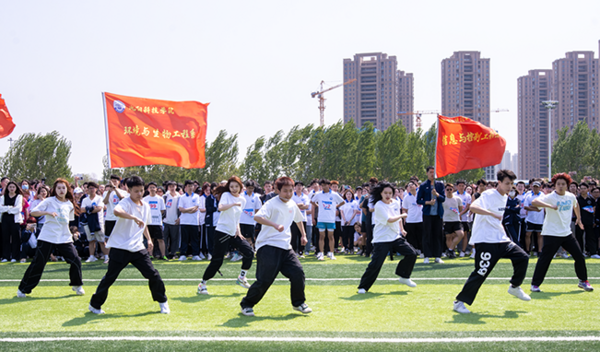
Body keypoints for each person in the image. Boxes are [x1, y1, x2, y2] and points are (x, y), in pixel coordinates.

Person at [453, 169, 531, 314]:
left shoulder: (505, 197)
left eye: (511, 183)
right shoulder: (489, 194)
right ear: (499, 183)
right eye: (507, 183)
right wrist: (491, 213)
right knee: (481, 272)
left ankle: (514, 286)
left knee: (523, 257)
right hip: (485, 240)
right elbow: (475, 207)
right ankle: (459, 302)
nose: (510, 186)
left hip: (500, 239)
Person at [89, 176, 169, 314]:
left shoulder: (146, 206)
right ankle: (94, 305)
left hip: (138, 248)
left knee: (153, 274)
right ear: (129, 190)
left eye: (141, 190)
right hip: (120, 247)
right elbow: (116, 211)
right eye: (136, 191)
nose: (139, 194)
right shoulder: (125, 202)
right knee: (110, 277)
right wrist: (133, 217)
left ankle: (162, 301)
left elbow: (143, 224)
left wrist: (149, 240)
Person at [239, 177, 312, 316]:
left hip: (285, 247)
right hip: (268, 245)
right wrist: (274, 224)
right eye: (285, 191)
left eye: (291, 191)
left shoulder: (292, 204)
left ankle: (298, 303)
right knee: (265, 280)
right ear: (277, 190)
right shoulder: (271, 203)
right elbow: (257, 217)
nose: (289, 194)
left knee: (298, 273)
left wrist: (303, 235)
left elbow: (299, 219)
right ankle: (247, 304)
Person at [17, 178, 84, 297]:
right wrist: (47, 213)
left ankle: (77, 284)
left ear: (67, 189)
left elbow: (68, 222)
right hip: (47, 236)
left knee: (76, 260)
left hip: (64, 237)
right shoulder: (49, 201)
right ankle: (23, 289)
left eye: (63, 188)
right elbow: (33, 212)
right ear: (55, 190)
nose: (61, 190)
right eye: (59, 188)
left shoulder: (69, 204)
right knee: (39, 263)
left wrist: (74, 233)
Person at [530, 173, 593, 292]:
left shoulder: (570, 196)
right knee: (545, 259)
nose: (560, 186)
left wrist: (579, 219)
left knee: (579, 256)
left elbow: (576, 205)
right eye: (558, 184)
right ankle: (535, 284)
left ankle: (583, 281)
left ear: (567, 185)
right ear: (554, 185)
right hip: (551, 233)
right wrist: (549, 205)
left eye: (563, 184)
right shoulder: (549, 197)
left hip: (566, 233)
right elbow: (534, 202)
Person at [357, 182, 417, 294]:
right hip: (382, 238)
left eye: (390, 193)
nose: (388, 195)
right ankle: (363, 286)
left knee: (412, 254)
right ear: (381, 193)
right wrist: (403, 215)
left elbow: (397, 219)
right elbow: (390, 219)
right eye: (385, 193)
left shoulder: (395, 202)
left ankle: (404, 276)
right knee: (376, 264)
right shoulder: (379, 205)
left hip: (395, 237)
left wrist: (402, 229)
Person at [198, 176, 254, 295]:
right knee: (217, 261)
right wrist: (233, 203)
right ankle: (202, 284)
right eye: (232, 186)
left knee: (249, 252)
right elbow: (220, 207)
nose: (234, 189)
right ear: (228, 187)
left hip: (234, 233)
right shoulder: (226, 196)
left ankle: (242, 278)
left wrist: (238, 231)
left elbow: (237, 217)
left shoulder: (243, 200)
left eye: (236, 186)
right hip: (222, 232)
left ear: (240, 187)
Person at [416, 166, 445, 264]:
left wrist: (437, 194)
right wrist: (428, 202)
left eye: (434, 172)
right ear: (427, 173)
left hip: (438, 214)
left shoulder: (440, 185)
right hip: (427, 214)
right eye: (431, 172)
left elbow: (443, 198)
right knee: (427, 234)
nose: (432, 174)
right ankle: (427, 255)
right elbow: (419, 200)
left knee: (438, 234)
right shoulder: (423, 185)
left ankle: (437, 256)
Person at [311, 179, 344, 260]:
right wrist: (318, 206)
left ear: (328, 185)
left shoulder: (334, 194)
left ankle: (331, 253)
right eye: (322, 185)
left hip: (331, 219)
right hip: (321, 219)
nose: (323, 187)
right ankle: (321, 253)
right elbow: (312, 202)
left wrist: (335, 206)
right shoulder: (318, 194)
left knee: (331, 237)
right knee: (321, 237)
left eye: (325, 185)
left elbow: (343, 202)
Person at [82, 182, 108, 264]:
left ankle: (106, 256)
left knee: (101, 241)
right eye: (90, 188)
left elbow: (99, 208)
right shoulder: (85, 200)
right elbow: (82, 209)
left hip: (98, 222)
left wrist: (88, 209)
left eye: (93, 188)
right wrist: (93, 208)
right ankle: (92, 256)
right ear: (87, 190)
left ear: (96, 189)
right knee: (91, 240)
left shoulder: (99, 198)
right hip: (88, 223)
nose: (92, 190)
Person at [178, 180, 201, 261]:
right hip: (184, 221)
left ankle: (195, 254)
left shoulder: (197, 196)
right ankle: (183, 254)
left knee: (194, 239)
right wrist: (190, 209)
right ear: (185, 187)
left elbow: (196, 208)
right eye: (189, 186)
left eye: (192, 186)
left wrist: (186, 210)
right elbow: (181, 209)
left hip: (194, 222)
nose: (191, 187)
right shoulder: (182, 197)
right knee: (184, 239)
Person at [1, 181, 24, 262]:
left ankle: (15, 256)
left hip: (15, 220)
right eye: (10, 187)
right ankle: (5, 256)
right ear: (7, 188)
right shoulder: (3, 197)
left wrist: (6, 209)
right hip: (5, 219)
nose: (11, 188)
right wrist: (11, 207)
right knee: (5, 238)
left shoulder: (19, 197)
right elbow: (0, 209)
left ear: (16, 188)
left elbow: (18, 209)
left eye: (13, 187)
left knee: (16, 238)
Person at [143, 182, 167, 259]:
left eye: (154, 187)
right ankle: (150, 255)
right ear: (148, 189)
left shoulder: (160, 199)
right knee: (150, 239)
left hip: (158, 222)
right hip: (149, 222)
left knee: (161, 239)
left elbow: (162, 210)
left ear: (156, 189)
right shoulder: (145, 199)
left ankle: (163, 255)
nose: (152, 189)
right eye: (151, 187)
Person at [239, 180, 262, 250]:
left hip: (251, 222)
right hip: (241, 221)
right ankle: (241, 253)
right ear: (246, 187)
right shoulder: (241, 196)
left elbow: (257, 209)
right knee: (241, 238)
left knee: (250, 238)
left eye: (252, 188)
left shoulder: (256, 197)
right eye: (249, 188)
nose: (251, 190)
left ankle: (250, 252)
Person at [442, 184, 463, 259]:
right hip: (446, 220)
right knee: (448, 237)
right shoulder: (443, 199)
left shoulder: (457, 199)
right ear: (445, 190)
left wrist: (456, 213)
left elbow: (460, 208)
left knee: (460, 234)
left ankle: (450, 249)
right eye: (447, 189)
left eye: (451, 189)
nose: (449, 191)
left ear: (453, 189)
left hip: (456, 220)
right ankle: (451, 252)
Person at [524, 181, 545, 256]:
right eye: (534, 187)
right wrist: (536, 208)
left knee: (539, 235)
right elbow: (526, 206)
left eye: (537, 187)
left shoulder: (542, 195)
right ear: (532, 187)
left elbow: (541, 206)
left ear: (540, 187)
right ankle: (527, 250)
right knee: (528, 234)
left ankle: (539, 251)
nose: (535, 188)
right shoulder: (528, 195)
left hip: (540, 219)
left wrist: (532, 207)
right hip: (530, 218)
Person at [575, 182, 596, 257]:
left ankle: (592, 252)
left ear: (588, 189)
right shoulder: (577, 199)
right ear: (579, 190)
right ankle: (580, 252)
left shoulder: (591, 199)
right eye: (581, 189)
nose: (583, 190)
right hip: (580, 221)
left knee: (590, 237)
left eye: (584, 188)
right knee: (579, 237)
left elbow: (594, 209)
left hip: (589, 221)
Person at [402, 181, 423, 256]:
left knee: (421, 236)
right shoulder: (406, 197)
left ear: (416, 186)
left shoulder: (420, 195)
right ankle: (415, 250)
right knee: (412, 237)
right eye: (409, 185)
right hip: (410, 220)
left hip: (420, 219)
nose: (410, 186)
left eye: (412, 185)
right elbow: (405, 208)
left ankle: (422, 251)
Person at [291, 181, 310, 257]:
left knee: (301, 235)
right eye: (297, 185)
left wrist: (297, 206)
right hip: (293, 219)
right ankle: (294, 251)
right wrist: (300, 205)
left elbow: (306, 206)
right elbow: (291, 206)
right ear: (294, 187)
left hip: (303, 218)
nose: (299, 187)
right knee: (294, 236)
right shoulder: (292, 196)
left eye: (300, 186)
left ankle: (301, 251)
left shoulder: (305, 196)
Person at [163, 181, 180, 259]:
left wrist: (180, 218)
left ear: (176, 187)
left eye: (173, 186)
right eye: (170, 186)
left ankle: (173, 253)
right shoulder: (165, 196)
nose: (172, 188)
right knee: (165, 239)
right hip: (166, 221)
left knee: (174, 239)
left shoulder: (179, 196)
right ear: (167, 188)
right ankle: (165, 253)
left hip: (175, 221)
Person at [340, 188, 360, 255]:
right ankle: (346, 248)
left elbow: (355, 212)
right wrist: (345, 220)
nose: (348, 195)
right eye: (347, 194)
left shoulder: (354, 202)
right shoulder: (343, 202)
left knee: (351, 235)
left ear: (352, 195)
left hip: (352, 222)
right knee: (345, 235)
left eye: (350, 194)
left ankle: (351, 248)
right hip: (344, 222)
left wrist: (350, 220)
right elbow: (341, 212)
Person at [454, 180, 472, 257]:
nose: (461, 187)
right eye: (459, 185)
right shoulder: (453, 195)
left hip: (465, 218)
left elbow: (468, 207)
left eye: (462, 186)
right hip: (455, 218)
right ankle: (455, 250)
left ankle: (463, 251)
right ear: (457, 186)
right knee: (455, 234)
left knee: (464, 235)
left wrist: (461, 214)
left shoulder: (468, 196)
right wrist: (457, 214)